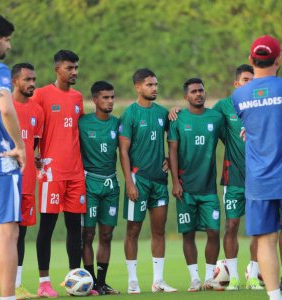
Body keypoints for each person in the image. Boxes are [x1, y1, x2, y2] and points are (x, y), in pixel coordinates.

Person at [232, 35, 282, 300]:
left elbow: (256, 124)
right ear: (278, 59)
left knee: (266, 240)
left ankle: (274, 297)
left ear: (252, 61)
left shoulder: (239, 95)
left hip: (259, 180)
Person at [32, 50, 86, 297]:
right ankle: (44, 283)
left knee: (76, 228)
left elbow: (78, 134)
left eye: (76, 68)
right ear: (57, 69)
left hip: (76, 174)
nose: (74, 72)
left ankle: (75, 280)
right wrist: (32, 156)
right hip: (51, 174)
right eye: (69, 68)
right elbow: (33, 131)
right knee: (48, 227)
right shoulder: (41, 95)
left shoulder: (78, 97)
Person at [119, 68, 177, 294]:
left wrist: (175, 111)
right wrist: (130, 182)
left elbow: (171, 143)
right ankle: (133, 281)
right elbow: (123, 152)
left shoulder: (163, 113)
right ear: (138, 87)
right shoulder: (130, 114)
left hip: (159, 182)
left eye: (155, 85)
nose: (154, 88)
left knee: (159, 231)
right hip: (138, 179)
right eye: (149, 85)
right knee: (133, 230)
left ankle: (158, 281)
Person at [168, 78, 224, 292]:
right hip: (185, 189)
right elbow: (172, 151)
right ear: (186, 97)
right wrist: (175, 182)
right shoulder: (178, 119)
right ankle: (194, 279)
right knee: (188, 233)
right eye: (193, 91)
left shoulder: (216, 118)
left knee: (213, 232)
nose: (198, 94)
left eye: (201, 90)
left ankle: (210, 278)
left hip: (209, 189)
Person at [0, 11, 26, 300]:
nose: (9, 47)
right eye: (7, 40)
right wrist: (20, 145)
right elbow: (6, 108)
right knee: (8, 233)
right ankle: (8, 297)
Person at [213, 64, 263, 290]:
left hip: (260, 178)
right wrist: (176, 112)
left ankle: (253, 275)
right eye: (245, 79)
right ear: (236, 84)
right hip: (233, 177)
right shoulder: (224, 106)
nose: (250, 83)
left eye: (253, 79)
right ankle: (233, 277)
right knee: (231, 225)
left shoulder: (264, 104)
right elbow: (201, 119)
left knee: (258, 229)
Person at [79, 81, 120, 295]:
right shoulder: (83, 123)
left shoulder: (117, 124)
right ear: (95, 99)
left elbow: (134, 147)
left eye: (112, 97)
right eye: (105, 97)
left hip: (111, 184)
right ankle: (91, 282)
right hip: (89, 185)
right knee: (87, 234)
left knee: (107, 235)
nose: (110, 101)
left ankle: (102, 282)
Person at [11, 63, 44, 299]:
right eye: (27, 79)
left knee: (20, 234)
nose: (32, 83)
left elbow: (32, 147)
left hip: (27, 181)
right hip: (4, 181)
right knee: (0, 233)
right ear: (15, 82)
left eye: (33, 79)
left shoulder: (37, 111)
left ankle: (17, 285)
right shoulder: (2, 107)